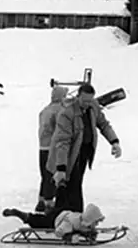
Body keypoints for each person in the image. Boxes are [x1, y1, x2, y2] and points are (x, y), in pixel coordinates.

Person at [48, 83, 122, 213]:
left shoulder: (93, 107)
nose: (87, 103)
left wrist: (114, 141)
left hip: (83, 153)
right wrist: (61, 168)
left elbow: (103, 124)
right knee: (70, 186)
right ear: (78, 97)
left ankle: (63, 216)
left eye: (90, 100)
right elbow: (62, 142)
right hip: (68, 155)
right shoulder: (67, 112)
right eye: (84, 100)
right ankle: (72, 218)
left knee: (73, 186)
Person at [2, 202, 105, 242]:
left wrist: (88, 234)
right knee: (38, 221)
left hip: (61, 212)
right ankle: (22, 215)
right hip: (55, 220)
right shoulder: (69, 224)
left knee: (42, 217)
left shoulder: (81, 220)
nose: (96, 225)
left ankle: (48, 208)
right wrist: (70, 238)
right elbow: (59, 232)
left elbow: (81, 228)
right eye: (95, 223)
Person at [37, 85, 68, 212]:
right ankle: (49, 205)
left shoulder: (45, 110)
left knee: (45, 175)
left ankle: (41, 201)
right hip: (53, 148)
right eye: (65, 96)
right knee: (52, 176)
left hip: (42, 147)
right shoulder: (60, 110)